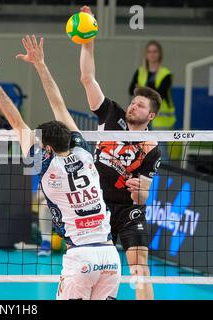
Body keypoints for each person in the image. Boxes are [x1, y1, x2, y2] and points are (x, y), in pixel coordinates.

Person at [0, 35, 121, 300]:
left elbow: (15, 120)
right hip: (110, 257)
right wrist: (40, 64)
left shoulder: (46, 165)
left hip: (80, 257)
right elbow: (58, 104)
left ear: (46, 148)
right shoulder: (84, 153)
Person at [79, 6, 162, 300]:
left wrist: (145, 191)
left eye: (141, 105)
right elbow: (88, 78)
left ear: (150, 116)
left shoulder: (153, 147)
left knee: (140, 267)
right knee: (88, 269)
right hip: (96, 205)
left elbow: (146, 193)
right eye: (134, 101)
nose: (133, 106)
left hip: (128, 210)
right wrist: (88, 38)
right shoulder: (111, 114)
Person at [129, 40, 176, 160]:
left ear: (159, 54)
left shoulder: (166, 74)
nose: (152, 54)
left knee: (161, 151)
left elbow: (160, 94)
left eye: (155, 51)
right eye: (149, 51)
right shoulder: (140, 71)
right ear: (146, 54)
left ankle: (163, 177)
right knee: (141, 149)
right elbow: (131, 90)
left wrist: (140, 88)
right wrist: (149, 89)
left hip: (161, 120)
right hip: (142, 117)